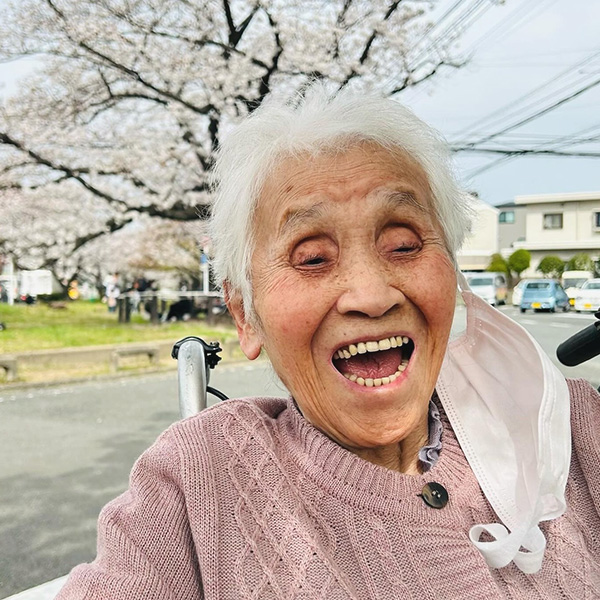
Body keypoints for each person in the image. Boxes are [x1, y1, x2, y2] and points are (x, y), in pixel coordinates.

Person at [57, 84, 600, 599]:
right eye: (312, 258)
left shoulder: (571, 424)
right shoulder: (197, 478)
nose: (370, 295)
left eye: (405, 245)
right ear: (245, 315)